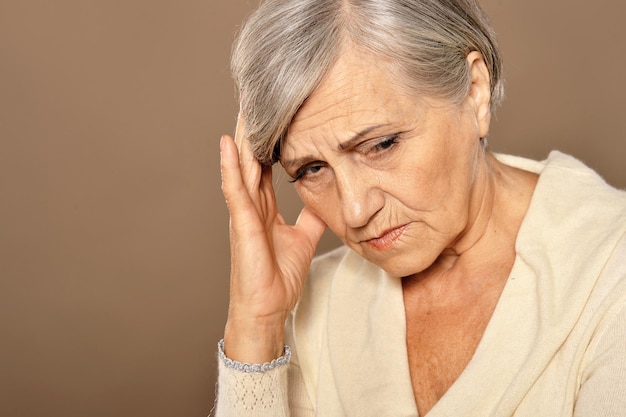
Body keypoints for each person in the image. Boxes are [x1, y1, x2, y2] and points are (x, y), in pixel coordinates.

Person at [214, 0, 626, 416]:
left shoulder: (610, 273)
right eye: (312, 169)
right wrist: (256, 326)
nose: (356, 211)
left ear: (474, 92)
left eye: (380, 145)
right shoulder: (308, 305)